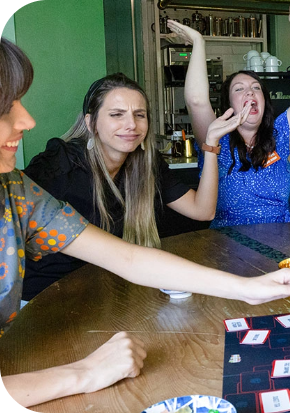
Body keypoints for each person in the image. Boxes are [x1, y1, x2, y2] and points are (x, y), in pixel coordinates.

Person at [0, 37, 290, 407]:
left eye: (139, 114)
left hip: (97, 302)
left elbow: (129, 258)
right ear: (90, 122)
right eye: (6, 107)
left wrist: (250, 288)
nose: (27, 120)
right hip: (43, 312)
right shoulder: (57, 167)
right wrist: (83, 373)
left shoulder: (17, 191)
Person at [21, 72, 221, 301]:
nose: (131, 125)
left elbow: (203, 211)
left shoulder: (146, 163)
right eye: (117, 114)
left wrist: (211, 144)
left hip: (103, 293)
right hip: (42, 298)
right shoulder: (60, 163)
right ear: (91, 122)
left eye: (139, 115)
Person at [167, 0, 290, 228]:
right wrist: (198, 43)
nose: (250, 92)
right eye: (239, 89)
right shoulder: (215, 139)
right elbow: (196, 101)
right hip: (227, 247)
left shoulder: (282, 134)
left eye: (256, 88)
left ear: (264, 100)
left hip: (281, 244)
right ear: (228, 105)